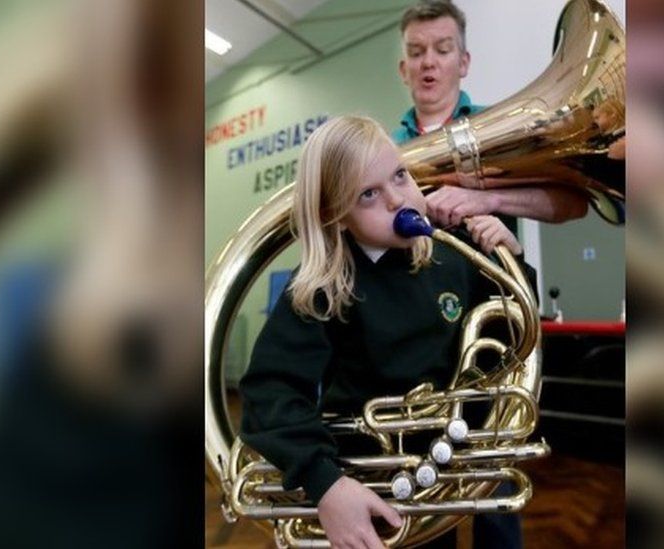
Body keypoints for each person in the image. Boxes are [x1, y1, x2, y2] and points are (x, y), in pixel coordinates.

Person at [239, 115, 531, 548]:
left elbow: (517, 329)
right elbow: (269, 392)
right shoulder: (323, 288)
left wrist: (514, 260)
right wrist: (327, 484)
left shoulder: (453, 256)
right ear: (334, 215)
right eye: (369, 194)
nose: (399, 199)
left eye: (400, 175)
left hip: (435, 486)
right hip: (361, 486)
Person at [394, 0, 589, 228]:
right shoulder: (387, 146)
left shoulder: (502, 126)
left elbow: (575, 204)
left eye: (443, 50)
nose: (428, 62)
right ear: (403, 70)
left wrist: (490, 199)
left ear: (463, 63)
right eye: (416, 53)